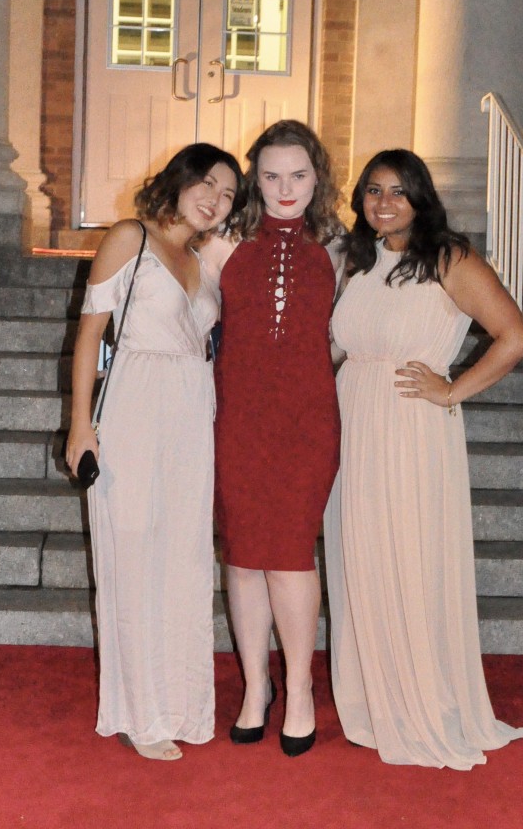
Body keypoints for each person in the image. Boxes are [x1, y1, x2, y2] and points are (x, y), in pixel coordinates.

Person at [324, 148, 523, 770]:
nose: (383, 202)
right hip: (352, 420)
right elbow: (334, 348)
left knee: (409, 557)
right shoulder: (357, 259)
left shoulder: (448, 257)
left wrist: (451, 389)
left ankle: (422, 704)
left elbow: (515, 335)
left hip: (412, 426)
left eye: (397, 191)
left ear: (421, 197)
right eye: (372, 191)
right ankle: (374, 700)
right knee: (360, 557)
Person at [66, 143, 244, 762]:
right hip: (136, 403)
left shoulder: (206, 256)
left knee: (184, 557)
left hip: (194, 411)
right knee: (134, 553)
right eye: (208, 185)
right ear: (180, 179)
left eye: (227, 196)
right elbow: (89, 333)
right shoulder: (129, 237)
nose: (215, 201)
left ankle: (182, 705)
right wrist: (80, 427)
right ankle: (139, 712)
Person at [202, 120, 343, 757]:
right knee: (243, 553)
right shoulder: (222, 243)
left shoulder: (345, 247)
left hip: (308, 422)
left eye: (299, 175)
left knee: (289, 553)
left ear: (319, 177)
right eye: (271, 175)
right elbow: (188, 320)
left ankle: (301, 689)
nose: (286, 189)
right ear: (255, 179)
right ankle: (256, 688)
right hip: (237, 418)